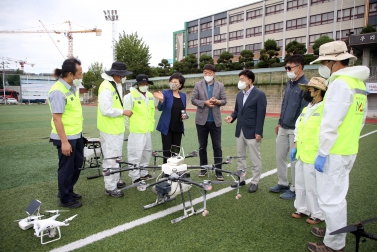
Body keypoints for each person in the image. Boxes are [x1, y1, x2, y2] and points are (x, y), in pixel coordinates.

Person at [306, 41, 369, 252]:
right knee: (337, 196)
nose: (323, 67)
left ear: (331, 62)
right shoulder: (357, 84)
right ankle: (335, 230)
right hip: (348, 148)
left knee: (330, 199)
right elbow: (359, 121)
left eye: (324, 62)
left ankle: (334, 245)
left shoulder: (340, 84)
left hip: (333, 151)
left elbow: (330, 123)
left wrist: (322, 152)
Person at [269, 54, 309, 200]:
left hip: (295, 129)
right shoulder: (289, 84)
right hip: (284, 127)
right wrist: (280, 122)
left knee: (294, 161)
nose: (287, 70)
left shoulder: (306, 85)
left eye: (290, 67)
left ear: (300, 67)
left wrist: (298, 131)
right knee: (280, 156)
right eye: (286, 67)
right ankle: (283, 183)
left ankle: (295, 188)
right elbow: (284, 104)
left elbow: (304, 110)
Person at [290, 77, 327, 225]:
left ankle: (317, 213)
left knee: (312, 186)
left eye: (309, 89)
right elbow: (298, 128)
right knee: (300, 183)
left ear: (318, 92)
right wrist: (295, 146)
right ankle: (302, 208)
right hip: (301, 153)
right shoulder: (307, 108)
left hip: (314, 154)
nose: (306, 92)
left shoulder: (325, 108)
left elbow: (325, 132)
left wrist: (323, 153)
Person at [48, 58, 84, 208]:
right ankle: (65, 198)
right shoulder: (58, 91)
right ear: (70, 74)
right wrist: (64, 142)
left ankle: (67, 190)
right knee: (67, 168)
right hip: (66, 138)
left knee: (77, 165)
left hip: (76, 135)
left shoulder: (71, 88)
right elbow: (57, 119)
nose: (82, 75)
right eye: (80, 73)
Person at [225, 70, 267, 193]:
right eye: (240, 79)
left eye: (242, 79)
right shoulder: (239, 95)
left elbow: (261, 115)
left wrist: (258, 132)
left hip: (253, 131)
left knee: (255, 158)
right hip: (240, 130)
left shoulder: (259, 94)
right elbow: (237, 111)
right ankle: (240, 178)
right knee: (240, 156)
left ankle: (255, 181)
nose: (240, 81)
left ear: (250, 81)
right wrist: (232, 117)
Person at [97, 62, 132, 198]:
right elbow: (106, 110)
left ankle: (115, 181)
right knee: (111, 159)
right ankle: (110, 187)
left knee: (116, 157)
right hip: (109, 129)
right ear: (117, 75)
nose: (124, 78)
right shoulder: (106, 87)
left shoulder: (114, 85)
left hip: (115, 129)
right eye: (123, 76)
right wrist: (123, 112)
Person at [191, 64, 227, 181]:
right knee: (202, 146)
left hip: (215, 121)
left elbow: (224, 100)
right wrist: (204, 103)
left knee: (217, 146)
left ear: (214, 74)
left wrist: (216, 101)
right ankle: (203, 168)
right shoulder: (198, 85)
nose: (207, 75)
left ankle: (218, 170)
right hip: (201, 121)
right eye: (205, 72)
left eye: (210, 73)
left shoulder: (220, 85)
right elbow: (193, 99)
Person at [124, 74, 155, 183]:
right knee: (135, 154)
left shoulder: (150, 95)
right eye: (142, 84)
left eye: (146, 84)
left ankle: (144, 173)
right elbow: (126, 115)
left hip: (147, 129)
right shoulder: (130, 96)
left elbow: (151, 111)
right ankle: (135, 177)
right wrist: (130, 127)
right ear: (137, 85)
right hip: (136, 130)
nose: (145, 85)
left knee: (147, 152)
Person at [154, 73, 187, 163]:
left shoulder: (183, 95)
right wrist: (161, 100)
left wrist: (184, 115)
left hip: (178, 127)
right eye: (171, 82)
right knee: (167, 151)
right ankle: (166, 172)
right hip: (166, 127)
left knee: (176, 151)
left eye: (175, 82)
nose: (173, 84)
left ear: (180, 84)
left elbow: (183, 109)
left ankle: (175, 170)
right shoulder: (165, 93)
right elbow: (160, 108)